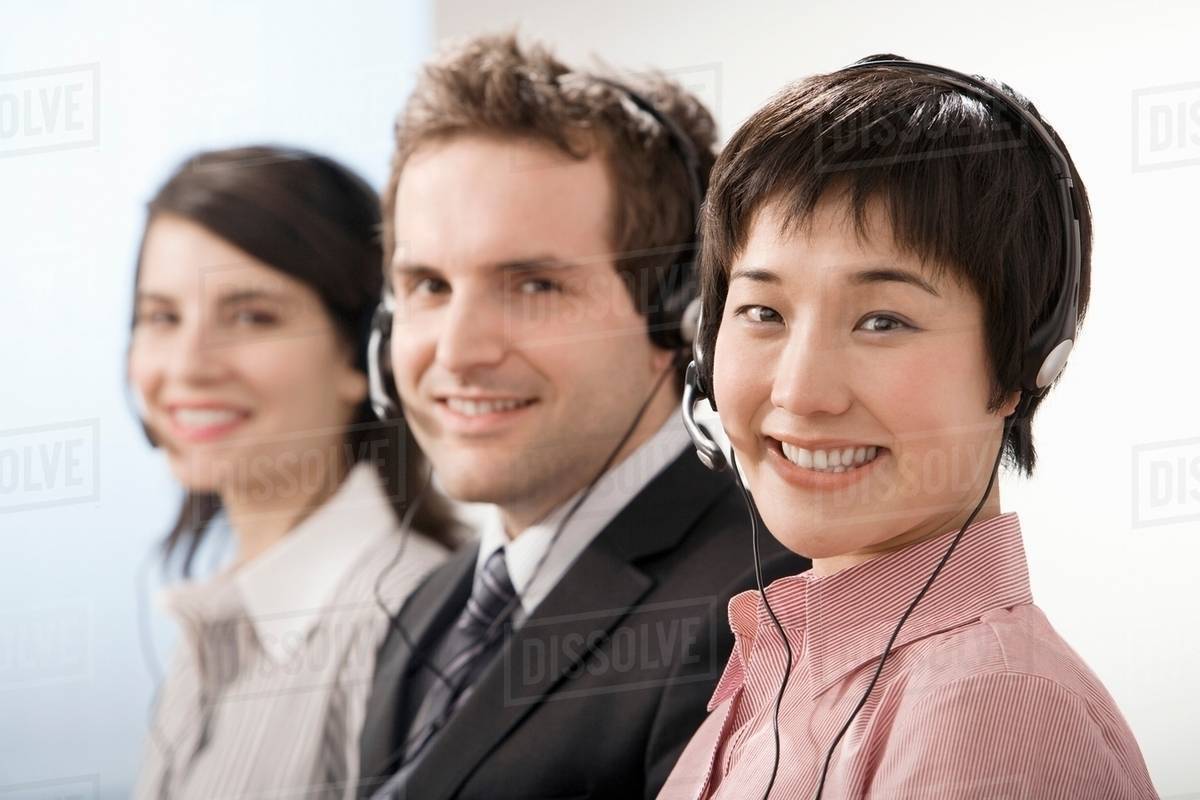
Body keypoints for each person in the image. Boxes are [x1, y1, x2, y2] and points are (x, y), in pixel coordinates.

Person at [659, 56, 1158, 799]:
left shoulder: (991, 714)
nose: (800, 391)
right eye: (763, 312)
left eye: (883, 321)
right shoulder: (783, 675)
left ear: (1022, 364)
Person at [356, 35, 808, 800]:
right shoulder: (430, 607)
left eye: (533, 285)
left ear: (680, 316)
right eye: (429, 285)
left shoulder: (757, 608)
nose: (457, 352)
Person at [129, 145, 458, 800]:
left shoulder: (408, 631)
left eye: (251, 316)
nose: (188, 366)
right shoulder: (215, 627)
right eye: (162, 317)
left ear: (363, 355)